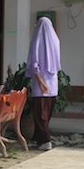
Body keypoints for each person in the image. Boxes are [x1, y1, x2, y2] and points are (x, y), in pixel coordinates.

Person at [25, 17, 61, 151]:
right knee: (46, 114)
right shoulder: (55, 41)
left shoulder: (37, 40)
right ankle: (38, 139)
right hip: (52, 85)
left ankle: (46, 141)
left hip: (41, 84)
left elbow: (34, 64)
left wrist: (40, 82)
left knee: (40, 114)